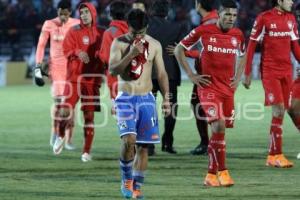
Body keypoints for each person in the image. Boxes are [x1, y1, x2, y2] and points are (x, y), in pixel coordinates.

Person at [175, 0, 245, 187]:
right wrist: (191, 75)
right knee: (218, 126)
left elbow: (244, 54)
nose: (231, 18)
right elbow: (179, 49)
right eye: (227, 14)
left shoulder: (238, 35)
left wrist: (238, 77)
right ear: (219, 14)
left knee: (220, 132)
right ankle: (221, 171)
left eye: (234, 15)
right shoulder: (203, 31)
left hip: (227, 89)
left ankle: (212, 175)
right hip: (208, 88)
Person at [109, 9, 170, 198]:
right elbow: (113, 70)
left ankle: (137, 188)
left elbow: (161, 74)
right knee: (129, 141)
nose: (138, 36)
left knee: (144, 147)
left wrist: (167, 99)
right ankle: (126, 180)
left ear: (147, 28)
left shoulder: (154, 45)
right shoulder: (118, 43)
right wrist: (130, 54)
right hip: (126, 99)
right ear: (127, 27)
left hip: (147, 99)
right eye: (134, 32)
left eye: (141, 32)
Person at [243, 0, 300, 168]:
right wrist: (247, 73)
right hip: (270, 71)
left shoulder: (290, 19)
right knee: (279, 109)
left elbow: (295, 46)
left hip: (286, 72)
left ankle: (273, 156)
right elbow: (252, 44)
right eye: (289, 0)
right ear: (279, 1)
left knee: (284, 110)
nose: (292, 2)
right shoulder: (264, 18)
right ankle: (276, 154)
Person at [53, 2, 104, 162]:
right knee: (64, 111)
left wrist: (99, 54)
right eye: (81, 13)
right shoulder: (73, 31)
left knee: (89, 117)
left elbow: (107, 52)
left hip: (91, 81)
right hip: (74, 79)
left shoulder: (102, 33)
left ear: (93, 13)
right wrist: (77, 52)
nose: (83, 15)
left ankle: (86, 152)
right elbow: (66, 50)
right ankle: (61, 135)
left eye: (86, 12)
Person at [34, 0, 80, 150]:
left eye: (65, 15)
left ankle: (69, 139)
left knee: (71, 106)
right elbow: (41, 45)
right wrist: (37, 68)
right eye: (60, 14)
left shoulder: (77, 24)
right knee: (60, 103)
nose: (63, 18)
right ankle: (56, 133)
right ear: (57, 11)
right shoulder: (49, 24)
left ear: (70, 13)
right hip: (57, 69)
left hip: (72, 68)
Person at [146, 0, 186, 155]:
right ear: (167, 12)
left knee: (149, 109)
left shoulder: (146, 27)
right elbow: (184, 47)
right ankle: (167, 143)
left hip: (149, 74)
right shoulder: (176, 27)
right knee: (171, 108)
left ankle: (149, 145)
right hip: (169, 74)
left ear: (152, 11)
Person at [188, 0, 219, 156]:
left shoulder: (209, 24)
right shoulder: (213, 20)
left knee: (203, 106)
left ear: (198, 4)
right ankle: (209, 143)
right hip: (210, 73)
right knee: (199, 105)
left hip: (208, 75)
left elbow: (206, 52)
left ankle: (209, 143)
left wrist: (184, 52)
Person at [99, 0, 129, 115]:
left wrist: (99, 54)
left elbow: (106, 58)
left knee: (122, 119)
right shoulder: (133, 31)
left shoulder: (109, 32)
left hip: (116, 79)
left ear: (110, 15)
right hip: (134, 79)